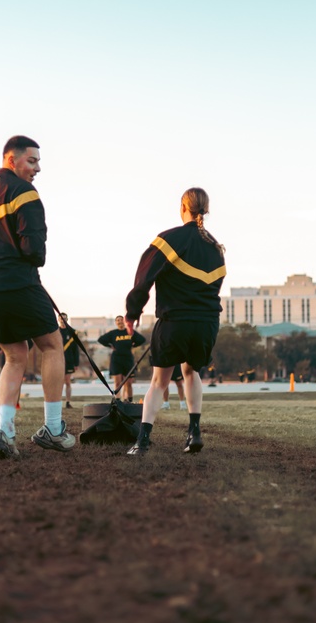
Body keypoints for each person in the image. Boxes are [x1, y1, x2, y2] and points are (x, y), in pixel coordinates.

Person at [0, 135, 75, 458]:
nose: (38, 168)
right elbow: (34, 250)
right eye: (32, 161)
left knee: (15, 356)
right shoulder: (24, 192)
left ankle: (5, 431)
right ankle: (53, 429)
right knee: (52, 345)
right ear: (12, 160)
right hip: (16, 284)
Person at [122, 187, 226, 456]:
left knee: (159, 382)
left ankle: (142, 440)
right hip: (207, 324)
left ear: (183, 207)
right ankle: (194, 433)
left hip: (174, 322)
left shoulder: (168, 240)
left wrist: (132, 313)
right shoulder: (216, 248)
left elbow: (143, 278)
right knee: (191, 372)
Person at [98, 316, 147, 402]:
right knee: (117, 382)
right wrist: (110, 346)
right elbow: (101, 340)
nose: (120, 322)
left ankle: (128, 400)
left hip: (128, 359)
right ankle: (117, 400)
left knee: (128, 383)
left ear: (124, 322)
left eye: (121, 320)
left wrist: (133, 345)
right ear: (116, 323)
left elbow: (142, 339)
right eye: (118, 320)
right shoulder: (113, 333)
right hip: (116, 359)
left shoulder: (129, 332)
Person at [59, 313, 80, 409]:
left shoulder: (72, 332)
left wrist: (76, 363)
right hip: (57, 360)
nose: (62, 320)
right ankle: (56, 402)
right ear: (58, 319)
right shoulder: (54, 331)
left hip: (69, 360)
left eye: (64, 318)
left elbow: (76, 349)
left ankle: (68, 402)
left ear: (67, 319)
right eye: (60, 318)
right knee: (58, 382)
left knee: (67, 382)